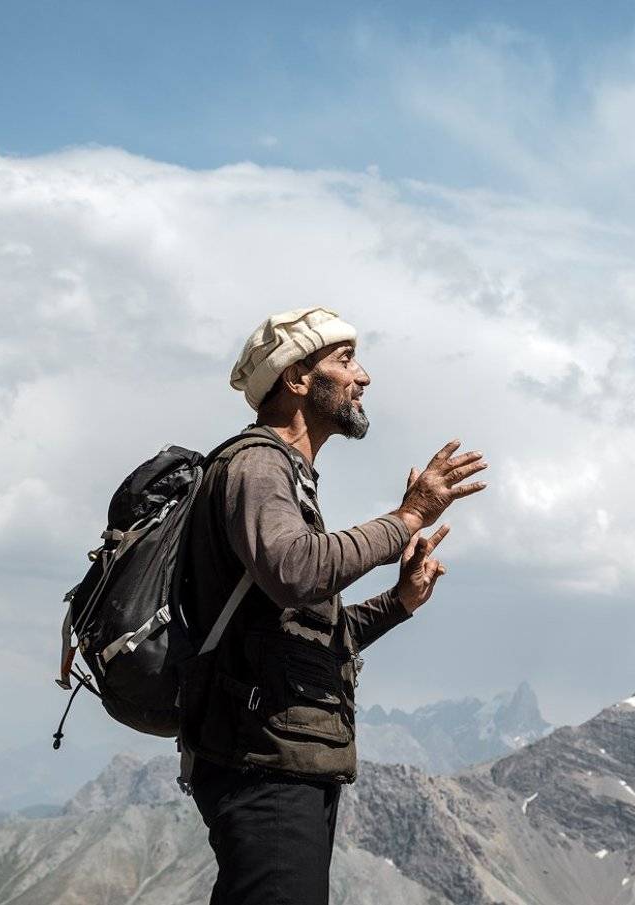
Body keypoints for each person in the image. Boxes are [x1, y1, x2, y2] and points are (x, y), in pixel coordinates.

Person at [177, 305, 487, 905]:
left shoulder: (285, 475)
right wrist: (409, 518)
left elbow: (300, 634)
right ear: (296, 379)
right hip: (263, 765)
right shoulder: (257, 465)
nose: (362, 377)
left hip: (286, 759)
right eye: (344, 361)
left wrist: (397, 603)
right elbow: (297, 571)